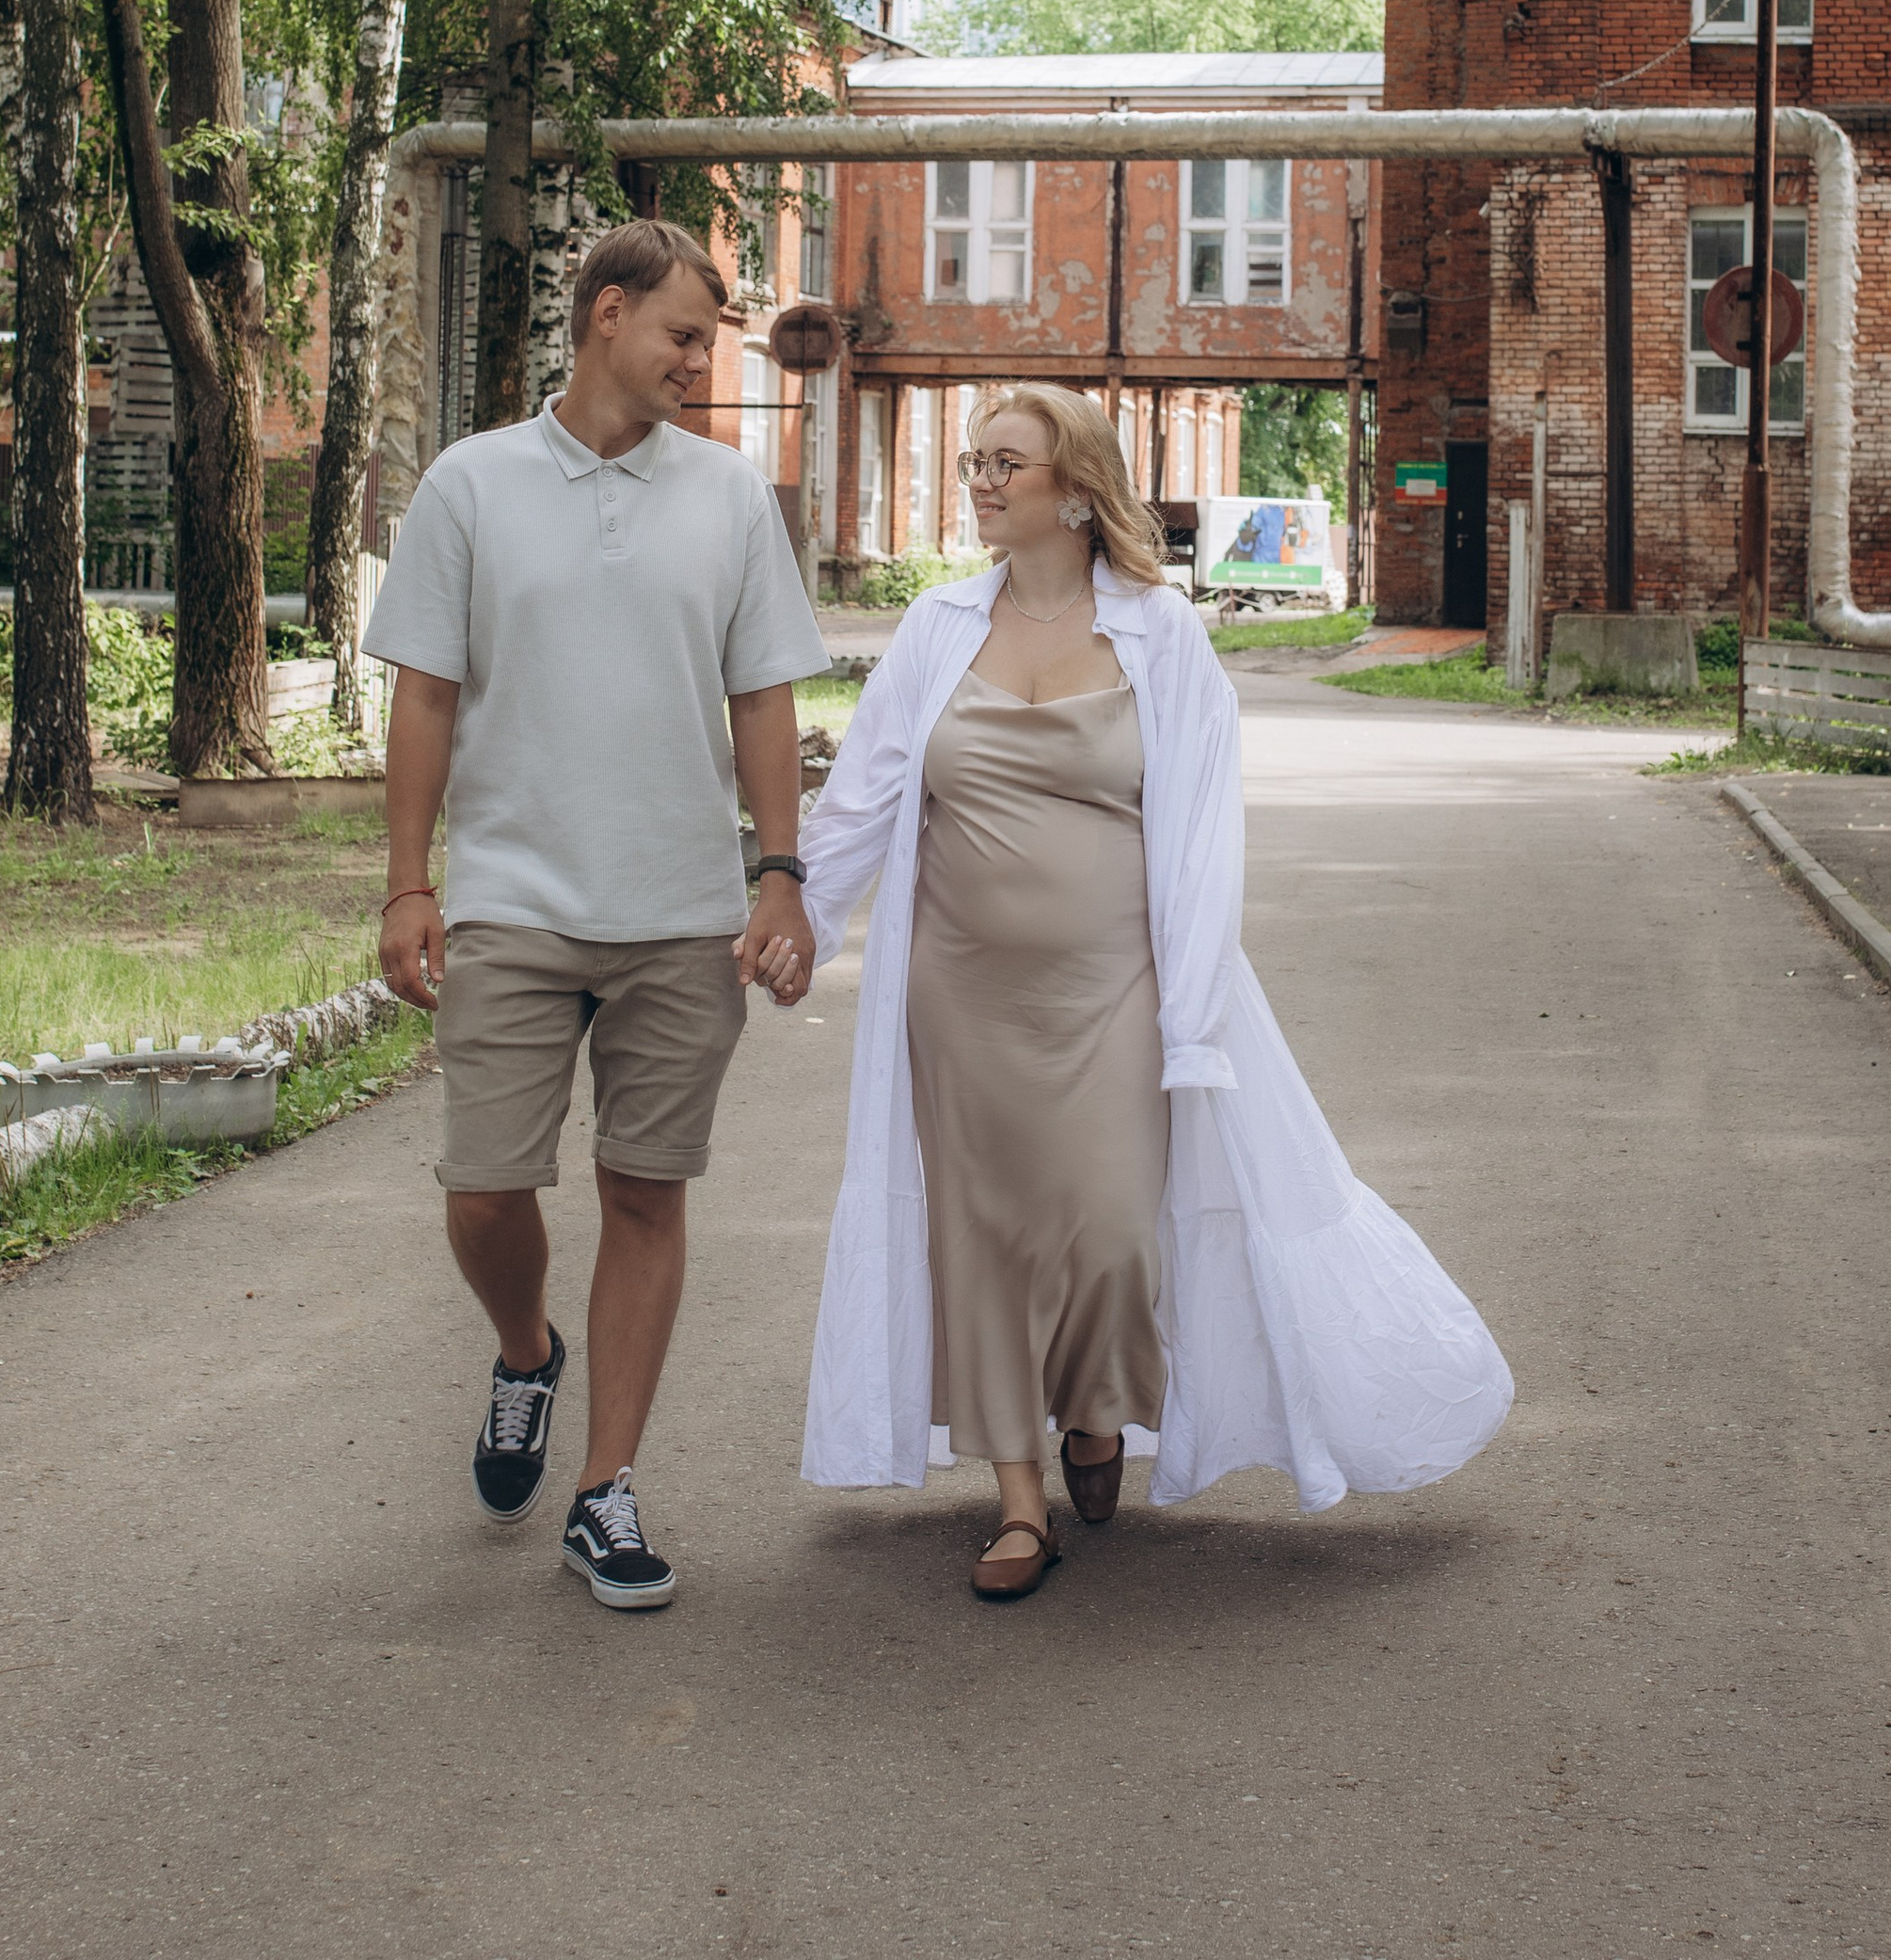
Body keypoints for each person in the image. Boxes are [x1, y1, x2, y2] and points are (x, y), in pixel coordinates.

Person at [798, 382, 1513, 1601]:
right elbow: (862, 794)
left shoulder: (1158, 632)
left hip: (1114, 984)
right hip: (959, 994)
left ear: (1075, 489)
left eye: (1003, 463)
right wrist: (792, 921)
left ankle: (1094, 1407)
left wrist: (1190, 1016)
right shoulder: (935, 628)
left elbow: (1196, 835)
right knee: (981, 1240)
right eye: (972, 461)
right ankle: (1018, 1500)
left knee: (1114, 1233)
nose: (979, 480)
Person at [369, 218, 826, 1611]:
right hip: (514, 895)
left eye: (713, 335)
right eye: (688, 333)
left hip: (683, 910)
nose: (705, 358)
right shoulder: (472, 484)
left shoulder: (733, 499)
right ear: (608, 314)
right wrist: (406, 879)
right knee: (485, 1183)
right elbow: (426, 694)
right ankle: (525, 1352)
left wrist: (780, 872)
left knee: (644, 1187)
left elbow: (765, 700)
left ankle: (604, 1488)